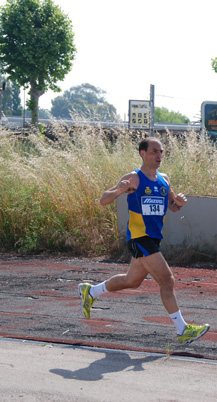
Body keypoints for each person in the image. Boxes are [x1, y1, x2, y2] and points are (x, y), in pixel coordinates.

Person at [78, 137, 210, 345]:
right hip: (139, 237)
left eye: (161, 152)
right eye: (154, 152)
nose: (158, 156)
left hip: (153, 239)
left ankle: (91, 291)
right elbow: (103, 200)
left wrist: (180, 203)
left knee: (132, 281)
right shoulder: (134, 178)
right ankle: (182, 330)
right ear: (142, 154)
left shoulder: (164, 179)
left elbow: (172, 206)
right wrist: (119, 190)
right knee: (167, 280)